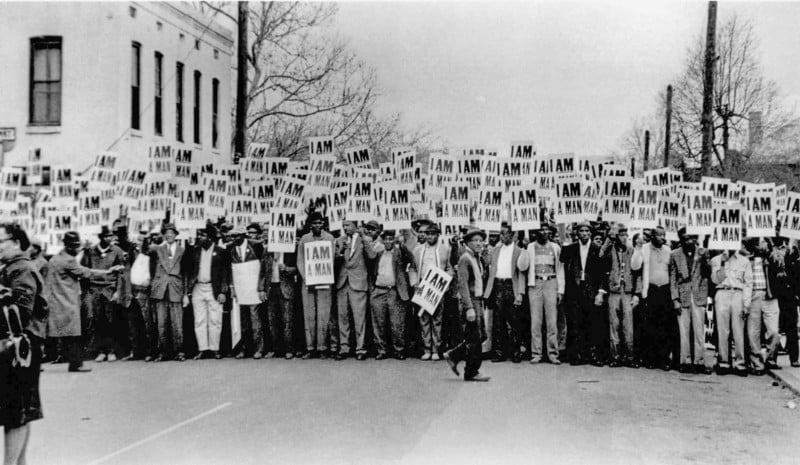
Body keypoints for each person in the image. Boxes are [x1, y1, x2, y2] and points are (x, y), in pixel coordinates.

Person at [0, 224, 46, 465]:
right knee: (19, 413)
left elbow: (21, 315)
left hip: (18, 350)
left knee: (14, 415)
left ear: (17, 242)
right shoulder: (11, 268)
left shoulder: (21, 269)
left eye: (1, 241)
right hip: (18, 349)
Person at [45, 231, 122, 372]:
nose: (77, 248)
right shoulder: (68, 260)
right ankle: (76, 364)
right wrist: (107, 272)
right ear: (68, 246)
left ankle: (70, 362)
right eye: (75, 246)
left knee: (66, 335)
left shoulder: (56, 258)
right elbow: (86, 272)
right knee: (73, 334)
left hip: (57, 299)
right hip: (66, 300)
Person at [444, 228, 490, 382]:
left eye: (480, 240)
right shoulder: (465, 258)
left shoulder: (477, 257)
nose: (479, 243)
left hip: (477, 300)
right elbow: (462, 284)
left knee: (479, 336)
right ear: (468, 243)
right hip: (470, 301)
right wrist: (469, 307)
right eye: (475, 241)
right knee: (475, 338)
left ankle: (453, 355)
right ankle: (471, 371)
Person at [518, 222, 563, 364]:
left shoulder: (555, 247)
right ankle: (536, 353)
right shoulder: (530, 247)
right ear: (536, 232)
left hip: (551, 282)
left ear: (550, 232)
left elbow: (560, 269)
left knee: (552, 321)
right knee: (536, 321)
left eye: (546, 230)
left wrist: (560, 289)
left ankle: (553, 354)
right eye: (541, 230)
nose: (544, 232)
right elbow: (522, 266)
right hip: (535, 284)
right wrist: (524, 249)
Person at [560, 222, 604, 365]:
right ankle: (577, 354)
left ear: (591, 233)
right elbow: (562, 261)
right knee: (575, 322)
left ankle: (593, 355)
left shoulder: (598, 249)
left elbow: (603, 272)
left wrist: (600, 292)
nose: (584, 233)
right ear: (577, 233)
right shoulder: (571, 248)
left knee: (592, 322)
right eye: (581, 231)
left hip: (591, 289)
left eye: (587, 231)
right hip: (575, 289)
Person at [669, 227, 712, 374]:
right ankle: (685, 361)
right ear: (680, 239)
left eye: (690, 238)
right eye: (684, 238)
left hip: (698, 294)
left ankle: (699, 361)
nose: (688, 241)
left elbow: (707, 274)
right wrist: (675, 299)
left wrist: (705, 259)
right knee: (684, 331)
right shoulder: (674, 254)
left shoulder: (702, 252)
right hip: (683, 295)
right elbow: (673, 278)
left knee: (699, 331)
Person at [632, 225, 675, 370]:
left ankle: (662, 359)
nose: (663, 237)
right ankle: (649, 358)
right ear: (652, 236)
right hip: (650, 291)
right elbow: (635, 266)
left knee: (664, 326)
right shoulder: (644, 249)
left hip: (664, 291)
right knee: (650, 326)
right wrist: (637, 249)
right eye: (659, 235)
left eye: (664, 235)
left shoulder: (668, 251)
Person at [81, 225, 127, 363]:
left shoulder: (117, 250)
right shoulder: (91, 251)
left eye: (110, 236)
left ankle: (111, 351)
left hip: (110, 288)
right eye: (106, 236)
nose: (109, 238)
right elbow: (85, 269)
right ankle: (101, 351)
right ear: (100, 237)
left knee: (110, 320)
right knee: (97, 320)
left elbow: (121, 272)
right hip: (94, 288)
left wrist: (118, 290)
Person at [409, 223, 453, 361]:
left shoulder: (445, 250)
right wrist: (415, 283)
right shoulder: (417, 250)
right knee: (424, 318)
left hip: (437, 288)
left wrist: (445, 282)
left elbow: (449, 268)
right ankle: (426, 348)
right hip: (423, 285)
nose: (430, 236)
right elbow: (413, 268)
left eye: (433, 234)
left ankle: (436, 349)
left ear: (438, 235)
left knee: (437, 319)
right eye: (428, 234)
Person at [368, 229, 415, 360]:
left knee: (397, 323)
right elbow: (371, 267)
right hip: (379, 290)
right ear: (382, 240)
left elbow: (411, 258)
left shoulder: (399, 253)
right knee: (378, 322)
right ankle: (381, 350)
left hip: (395, 291)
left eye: (391, 239)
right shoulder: (378, 253)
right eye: (386, 239)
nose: (388, 241)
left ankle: (399, 349)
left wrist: (402, 245)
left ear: (394, 240)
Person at [185, 225, 229, 360]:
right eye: (199, 234)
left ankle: (215, 348)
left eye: (203, 235)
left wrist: (223, 291)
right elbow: (188, 270)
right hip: (198, 288)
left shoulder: (220, 251)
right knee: (199, 320)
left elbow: (224, 273)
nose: (200, 237)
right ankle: (202, 348)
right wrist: (188, 290)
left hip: (213, 289)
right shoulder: (194, 251)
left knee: (215, 319)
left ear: (210, 237)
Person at [334, 219, 376, 360]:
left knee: (359, 317)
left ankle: (361, 348)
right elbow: (333, 260)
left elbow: (372, 256)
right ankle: (344, 347)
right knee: (343, 317)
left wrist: (364, 239)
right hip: (342, 283)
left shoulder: (364, 240)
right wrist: (340, 251)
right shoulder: (339, 240)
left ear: (355, 226)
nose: (346, 228)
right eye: (344, 226)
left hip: (358, 283)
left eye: (348, 225)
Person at [297, 212, 336, 359]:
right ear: (310, 224)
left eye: (320, 223)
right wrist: (305, 276)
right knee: (309, 314)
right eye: (315, 223)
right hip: (308, 281)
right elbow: (300, 260)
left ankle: (322, 347)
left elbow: (330, 259)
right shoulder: (304, 239)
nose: (317, 225)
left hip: (324, 280)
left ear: (323, 224)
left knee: (323, 314)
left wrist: (323, 274)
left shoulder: (330, 238)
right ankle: (310, 347)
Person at [600, 224, 639, 368]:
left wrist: (637, 293)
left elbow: (637, 272)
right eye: (621, 235)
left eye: (625, 235)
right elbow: (600, 254)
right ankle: (614, 356)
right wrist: (609, 238)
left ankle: (629, 357)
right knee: (614, 324)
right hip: (613, 290)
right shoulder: (610, 249)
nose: (624, 238)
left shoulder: (632, 250)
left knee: (628, 325)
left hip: (627, 290)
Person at [710, 246, 753, 376]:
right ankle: (723, 362)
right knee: (723, 330)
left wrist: (746, 303)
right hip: (722, 292)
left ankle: (740, 363)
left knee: (738, 330)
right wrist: (723, 263)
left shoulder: (744, 261)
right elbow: (715, 279)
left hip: (738, 294)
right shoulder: (716, 260)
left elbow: (748, 283)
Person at [149, 223, 187, 362]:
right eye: (167, 233)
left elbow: (185, 273)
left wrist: (185, 293)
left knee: (177, 323)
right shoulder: (157, 249)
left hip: (176, 288)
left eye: (172, 233)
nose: (169, 235)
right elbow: (151, 268)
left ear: (176, 235)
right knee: (161, 322)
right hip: (160, 289)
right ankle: (162, 352)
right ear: (164, 235)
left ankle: (179, 351)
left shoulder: (182, 250)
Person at [743, 237, 781, 374]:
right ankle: (757, 364)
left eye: (764, 242)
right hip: (753, 295)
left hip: (770, 296)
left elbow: (780, 264)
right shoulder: (747, 259)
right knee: (753, 331)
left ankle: (770, 359)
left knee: (774, 331)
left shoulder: (772, 257)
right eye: (761, 242)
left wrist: (770, 245)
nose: (763, 245)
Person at [227, 226, 266, 359]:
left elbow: (263, 268)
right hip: (240, 289)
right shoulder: (231, 249)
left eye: (236, 236)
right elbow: (230, 271)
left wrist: (261, 288)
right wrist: (232, 288)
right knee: (242, 321)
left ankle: (259, 349)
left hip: (253, 288)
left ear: (243, 236)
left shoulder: (256, 246)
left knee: (255, 320)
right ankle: (244, 349)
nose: (233, 239)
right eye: (232, 236)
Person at [262, 230, 299, 359]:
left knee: (287, 320)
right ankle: (275, 349)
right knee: (272, 321)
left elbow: (299, 268)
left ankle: (289, 349)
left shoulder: (291, 250)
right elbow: (263, 271)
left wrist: (287, 269)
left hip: (285, 288)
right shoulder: (267, 251)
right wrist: (261, 289)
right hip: (271, 288)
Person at [771, 238, 799, 367]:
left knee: (791, 328)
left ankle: (794, 358)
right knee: (775, 329)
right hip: (776, 296)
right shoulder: (772, 256)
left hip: (790, 296)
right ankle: (773, 358)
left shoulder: (792, 256)